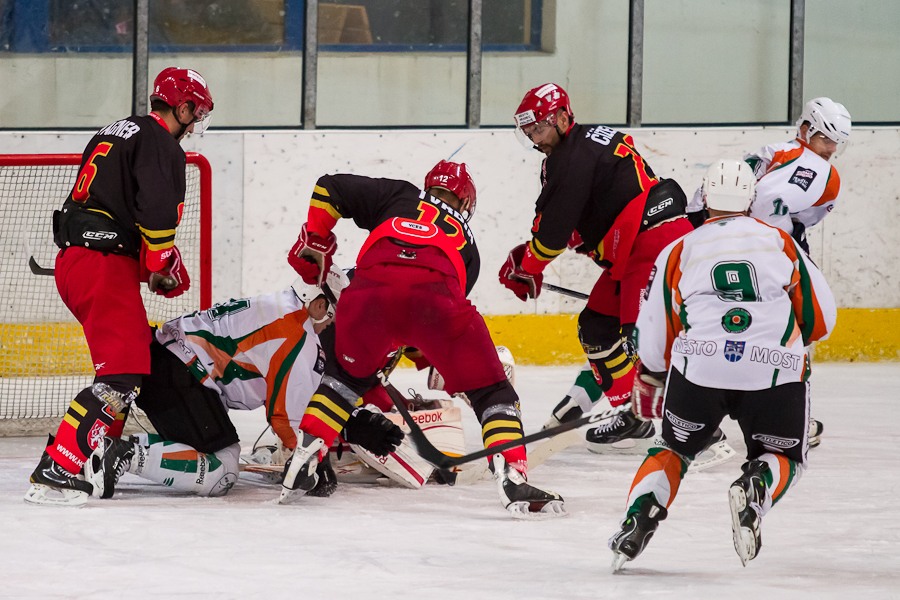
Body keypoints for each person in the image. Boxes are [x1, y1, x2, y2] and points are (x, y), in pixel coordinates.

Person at [282, 159, 566, 518]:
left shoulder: (398, 195)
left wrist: (316, 238)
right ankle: (512, 473)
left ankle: (306, 452)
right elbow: (423, 326)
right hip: (435, 299)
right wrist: (442, 367)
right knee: (492, 392)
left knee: (343, 381)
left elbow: (329, 186)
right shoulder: (469, 246)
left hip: (366, 297)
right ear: (466, 202)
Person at [608, 160, 837, 571]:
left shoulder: (679, 249)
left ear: (706, 197)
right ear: (751, 198)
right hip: (775, 370)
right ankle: (757, 484)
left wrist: (653, 373)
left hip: (700, 371)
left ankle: (637, 521)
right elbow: (822, 319)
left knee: (673, 449)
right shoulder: (781, 243)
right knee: (783, 456)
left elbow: (656, 332)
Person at [24, 67, 215, 507]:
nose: (193, 125)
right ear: (183, 106)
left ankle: (96, 455)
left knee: (129, 364)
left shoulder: (118, 130)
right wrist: (161, 262)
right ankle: (59, 467)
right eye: (195, 113)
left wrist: (153, 266)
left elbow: (114, 205)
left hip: (80, 260)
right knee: (121, 375)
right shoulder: (161, 142)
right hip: (101, 263)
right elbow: (156, 212)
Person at [82, 265, 403, 501]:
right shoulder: (298, 335)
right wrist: (310, 463)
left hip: (170, 364)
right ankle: (123, 453)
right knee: (221, 471)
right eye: (335, 314)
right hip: (179, 374)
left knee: (209, 451)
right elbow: (285, 418)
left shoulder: (284, 307)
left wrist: (351, 426)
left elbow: (300, 397)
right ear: (319, 304)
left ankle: (113, 448)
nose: (334, 324)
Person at [500, 82, 693, 451]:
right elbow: (584, 221)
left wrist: (529, 265)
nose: (535, 139)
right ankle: (634, 414)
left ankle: (692, 424)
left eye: (538, 129)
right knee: (596, 327)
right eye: (529, 133)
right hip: (636, 248)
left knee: (643, 341)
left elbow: (554, 235)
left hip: (653, 244)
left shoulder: (570, 159)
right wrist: (530, 256)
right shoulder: (585, 145)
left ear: (561, 118)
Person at [686, 96, 851, 448]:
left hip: (722, 245)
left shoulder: (773, 151)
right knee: (791, 332)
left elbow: (704, 201)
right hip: (769, 255)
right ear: (805, 128)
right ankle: (788, 416)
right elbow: (772, 207)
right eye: (825, 138)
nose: (831, 149)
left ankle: (701, 415)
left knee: (720, 326)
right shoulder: (814, 168)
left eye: (837, 142)